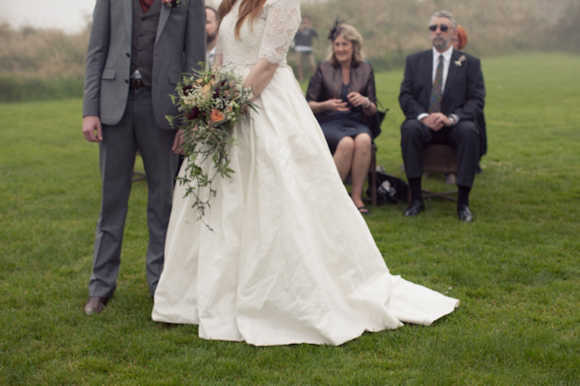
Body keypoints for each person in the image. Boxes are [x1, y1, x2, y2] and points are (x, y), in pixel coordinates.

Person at [152, 0, 458, 346]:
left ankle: (278, 294)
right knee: (220, 200)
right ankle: (203, 293)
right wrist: (208, 103)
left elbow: (267, 65)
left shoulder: (282, 3)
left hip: (264, 105)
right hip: (224, 107)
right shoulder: (230, 2)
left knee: (277, 194)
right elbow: (219, 60)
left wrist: (229, 106)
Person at [81, 0, 206, 315]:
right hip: (114, 107)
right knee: (112, 201)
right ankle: (100, 287)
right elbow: (96, 51)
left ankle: (161, 287)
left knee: (163, 202)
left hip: (164, 110)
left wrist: (189, 119)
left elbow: (195, 60)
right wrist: (90, 111)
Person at [399, 10, 485, 222]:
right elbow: (406, 95)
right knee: (409, 129)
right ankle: (416, 199)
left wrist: (451, 118)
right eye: (433, 27)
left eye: (443, 28)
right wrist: (422, 116)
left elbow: (476, 99)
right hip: (424, 124)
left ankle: (463, 203)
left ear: (453, 32)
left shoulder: (470, 63)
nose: (437, 31)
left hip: (454, 125)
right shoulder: (414, 60)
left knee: (470, 131)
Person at [306, 24, 377, 215]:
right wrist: (326, 105)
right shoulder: (323, 67)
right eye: (336, 44)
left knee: (363, 140)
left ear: (354, 46)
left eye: (344, 44)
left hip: (356, 120)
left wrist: (365, 101)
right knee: (346, 143)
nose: (340, 49)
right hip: (329, 121)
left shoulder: (365, 69)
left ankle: (356, 197)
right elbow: (306, 105)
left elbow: (373, 109)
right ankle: (330, 198)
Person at [293, 16, 318, 82]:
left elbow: (316, 35)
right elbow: (294, 37)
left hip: (308, 48)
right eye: (304, 21)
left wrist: (311, 29)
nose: (305, 23)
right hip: (299, 48)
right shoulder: (299, 29)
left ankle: (315, 78)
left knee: (312, 64)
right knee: (299, 64)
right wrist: (298, 30)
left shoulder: (310, 29)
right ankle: (301, 79)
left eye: (307, 21)